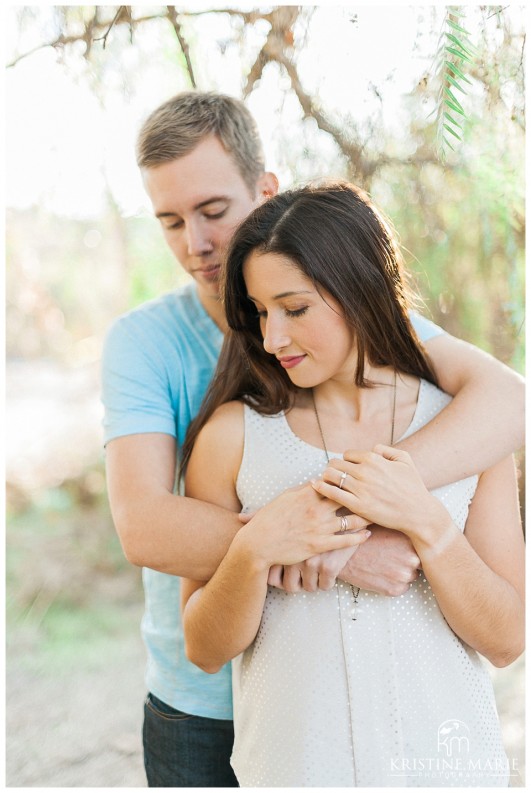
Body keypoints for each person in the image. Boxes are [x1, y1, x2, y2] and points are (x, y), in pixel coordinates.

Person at [101, 92, 525, 787]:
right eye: (170, 221)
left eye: (211, 211)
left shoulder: (439, 393)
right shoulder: (205, 402)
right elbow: (145, 528)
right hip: (219, 715)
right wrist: (299, 538)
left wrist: (403, 512)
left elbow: (509, 403)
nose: (195, 243)